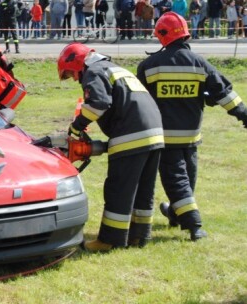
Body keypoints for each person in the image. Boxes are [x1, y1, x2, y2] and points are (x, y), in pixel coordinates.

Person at [137, 12, 247, 241]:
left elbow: (140, 103)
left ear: (161, 35)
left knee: (178, 181)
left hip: (165, 137)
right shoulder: (200, 64)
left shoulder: (149, 66)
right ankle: (185, 219)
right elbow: (224, 94)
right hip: (191, 137)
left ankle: (187, 220)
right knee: (186, 179)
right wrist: (244, 115)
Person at [57, 43, 164, 251]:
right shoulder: (117, 69)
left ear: (78, 63)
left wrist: (77, 127)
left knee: (119, 189)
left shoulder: (94, 71)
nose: (74, 78)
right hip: (155, 133)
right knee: (144, 188)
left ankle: (109, 240)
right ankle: (139, 236)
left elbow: (98, 103)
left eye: (71, 73)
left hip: (130, 134)